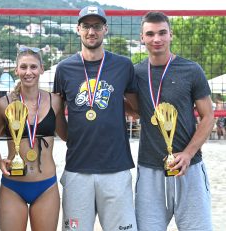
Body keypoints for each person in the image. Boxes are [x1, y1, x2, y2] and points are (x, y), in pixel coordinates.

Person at [53, 5, 138, 231]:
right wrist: (71, 139)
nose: (92, 31)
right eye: (87, 26)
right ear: (78, 29)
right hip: (77, 169)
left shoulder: (123, 65)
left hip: (116, 168)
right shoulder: (64, 68)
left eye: (97, 26)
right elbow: (57, 113)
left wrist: (113, 101)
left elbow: (136, 108)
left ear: (105, 29)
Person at [134, 12, 214, 230]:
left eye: (162, 33)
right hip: (150, 170)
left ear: (171, 35)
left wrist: (188, 154)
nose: (156, 39)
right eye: (150, 34)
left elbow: (208, 117)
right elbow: (132, 110)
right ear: (142, 37)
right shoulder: (136, 73)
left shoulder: (191, 69)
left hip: (189, 167)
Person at [0, 46, 67, 231]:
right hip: (13, 187)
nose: (28, 72)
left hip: (46, 186)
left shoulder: (55, 101)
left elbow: (67, 136)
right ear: (16, 70)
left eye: (33, 67)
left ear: (41, 68)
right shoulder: (4, 104)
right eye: (23, 67)